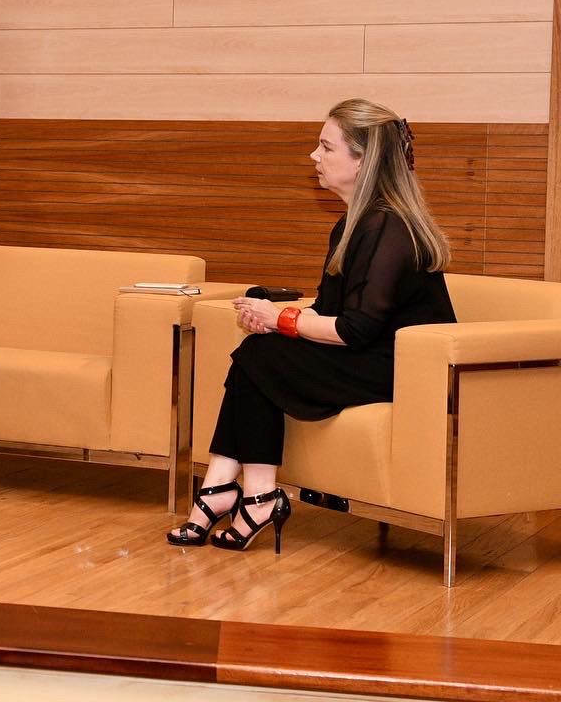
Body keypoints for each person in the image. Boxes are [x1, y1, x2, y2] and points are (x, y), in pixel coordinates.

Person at [167, 99, 455, 551]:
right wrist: (271, 319)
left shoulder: (390, 228)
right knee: (258, 352)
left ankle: (235, 491)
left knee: (258, 356)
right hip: (368, 354)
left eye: (326, 147)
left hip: (404, 368)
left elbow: (355, 330)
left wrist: (283, 320)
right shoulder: (351, 226)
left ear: (362, 161)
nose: (313, 157)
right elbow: (328, 309)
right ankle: (245, 492)